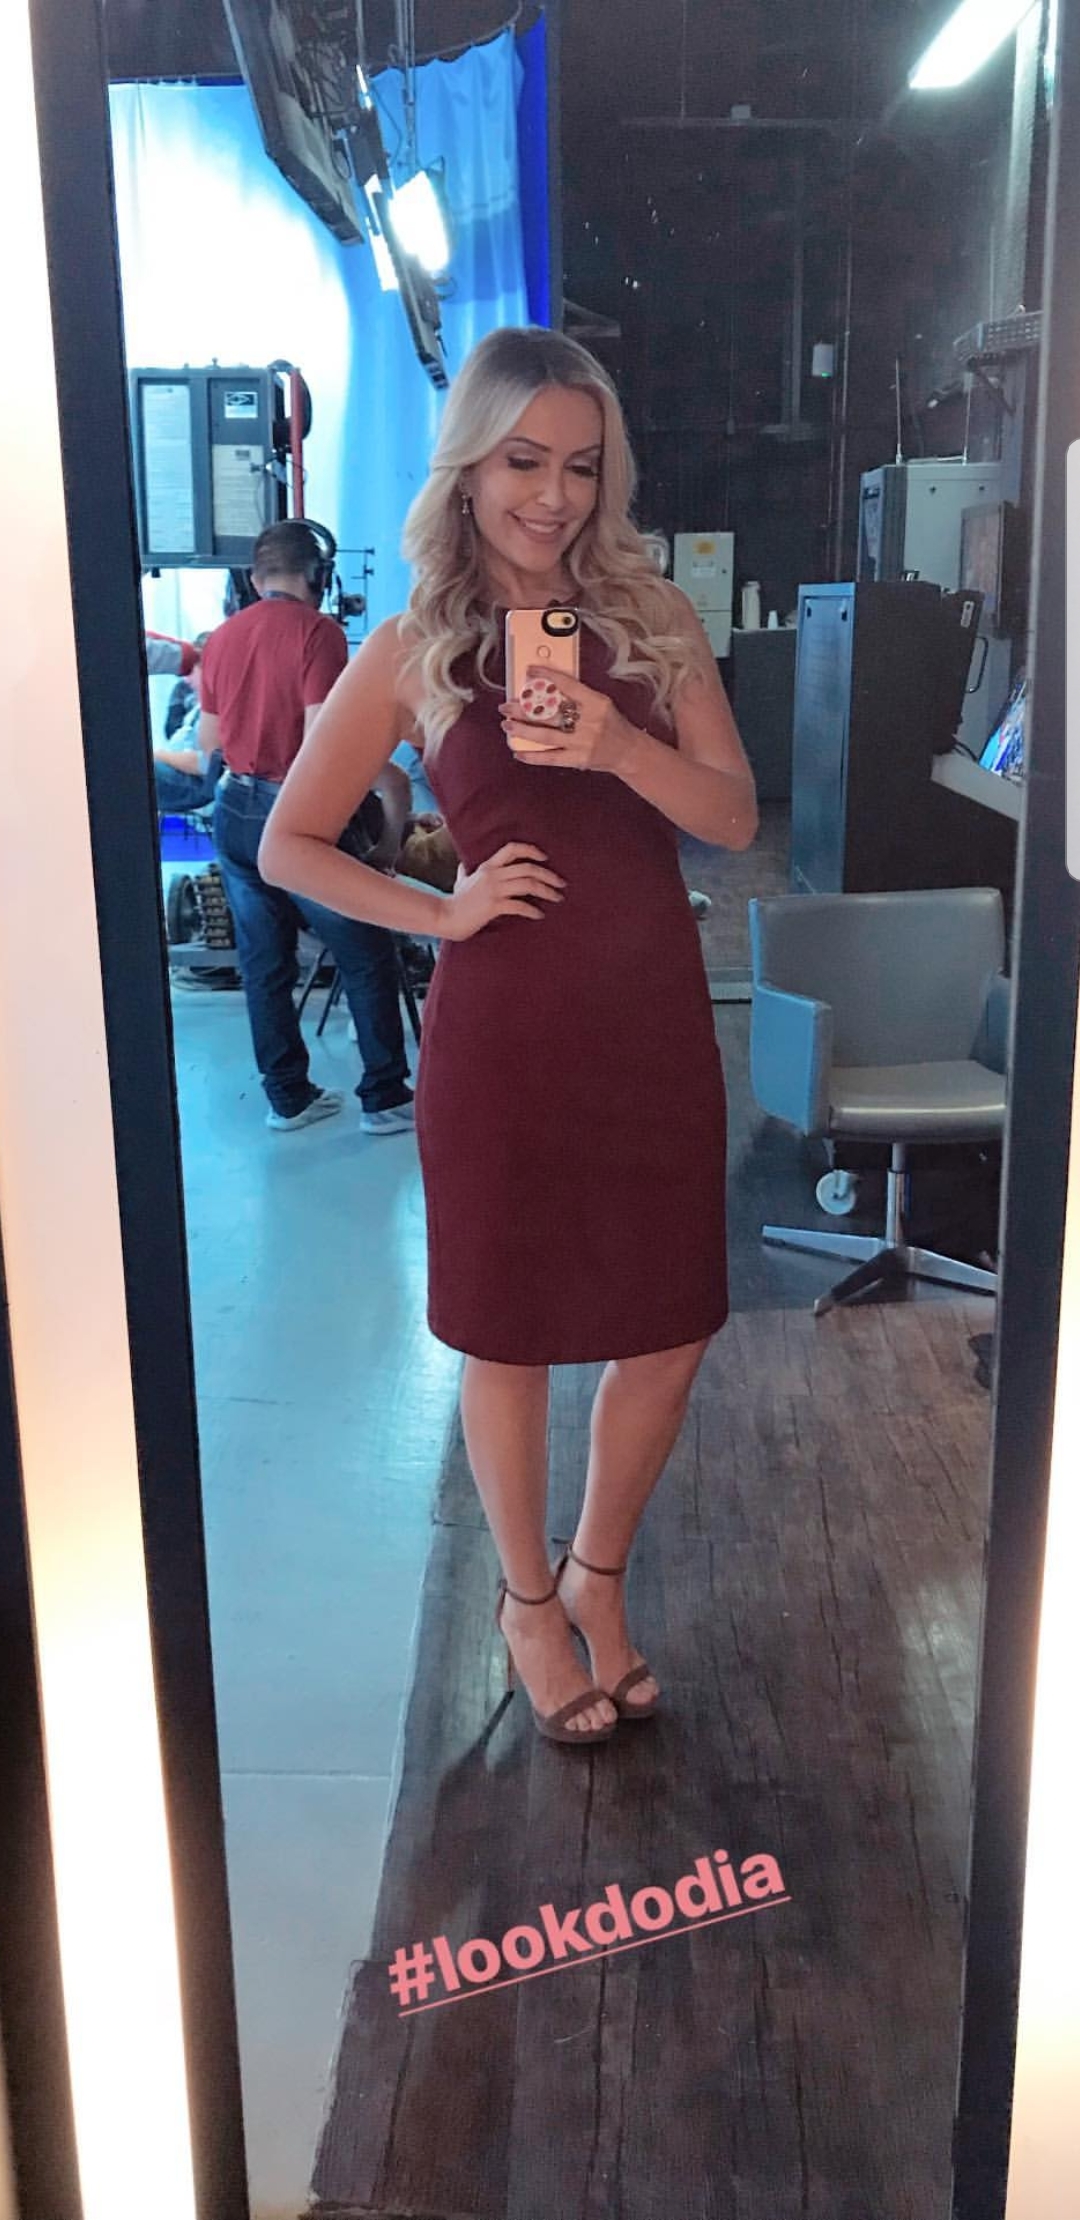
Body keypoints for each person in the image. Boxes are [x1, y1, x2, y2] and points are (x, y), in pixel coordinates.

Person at [259, 327, 757, 1741]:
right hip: (507, 1036)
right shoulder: (411, 646)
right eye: (524, 461)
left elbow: (732, 818)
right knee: (512, 1331)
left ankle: (599, 1574)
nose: (553, 496)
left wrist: (616, 744)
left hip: (651, 1021)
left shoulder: (654, 618)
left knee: (672, 1323)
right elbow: (291, 843)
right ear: (469, 467)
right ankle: (528, 1602)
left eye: (582, 467)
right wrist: (441, 913)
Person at [197, 518, 415, 1135]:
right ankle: (384, 1097)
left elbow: (209, 742)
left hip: (233, 809)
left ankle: (288, 1098)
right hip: (297, 814)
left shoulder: (222, 637)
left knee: (265, 964)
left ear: (254, 578)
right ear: (320, 576)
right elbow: (326, 739)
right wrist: (390, 787)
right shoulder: (319, 633)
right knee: (366, 952)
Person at [153, 641, 223, 814]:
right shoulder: (197, 705)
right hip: (178, 768)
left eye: (191, 671)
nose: (186, 679)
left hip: (196, 783)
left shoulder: (218, 709)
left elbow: (205, 764)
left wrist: (160, 755)